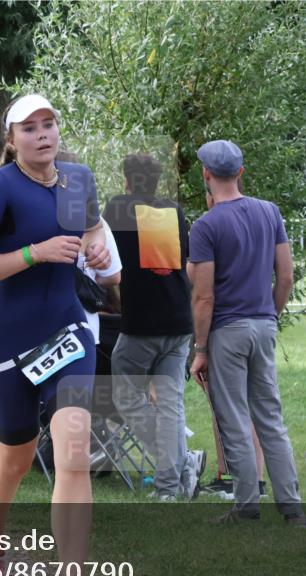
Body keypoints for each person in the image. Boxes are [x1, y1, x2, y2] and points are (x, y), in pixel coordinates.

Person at [0, 94, 111, 576]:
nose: (42, 134)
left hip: (67, 334)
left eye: (49, 124)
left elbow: (92, 230)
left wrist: (94, 249)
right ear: (12, 138)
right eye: (29, 128)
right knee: (15, 457)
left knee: (73, 451)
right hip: (4, 345)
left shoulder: (78, 179)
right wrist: (33, 254)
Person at [187, 140, 306, 527]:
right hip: (263, 324)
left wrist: (200, 348)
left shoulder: (205, 226)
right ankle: (292, 508)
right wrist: (270, 315)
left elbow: (204, 296)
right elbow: (286, 276)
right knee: (270, 417)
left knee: (235, 418)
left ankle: (247, 505)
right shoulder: (269, 212)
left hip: (227, 331)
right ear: (241, 173)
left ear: (206, 174)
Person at [104, 152, 205, 502]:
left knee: (125, 396)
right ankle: (170, 486)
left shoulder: (119, 207)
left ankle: (177, 463)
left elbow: (104, 255)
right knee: (171, 404)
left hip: (142, 323)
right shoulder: (173, 211)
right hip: (178, 319)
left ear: (126, 180)